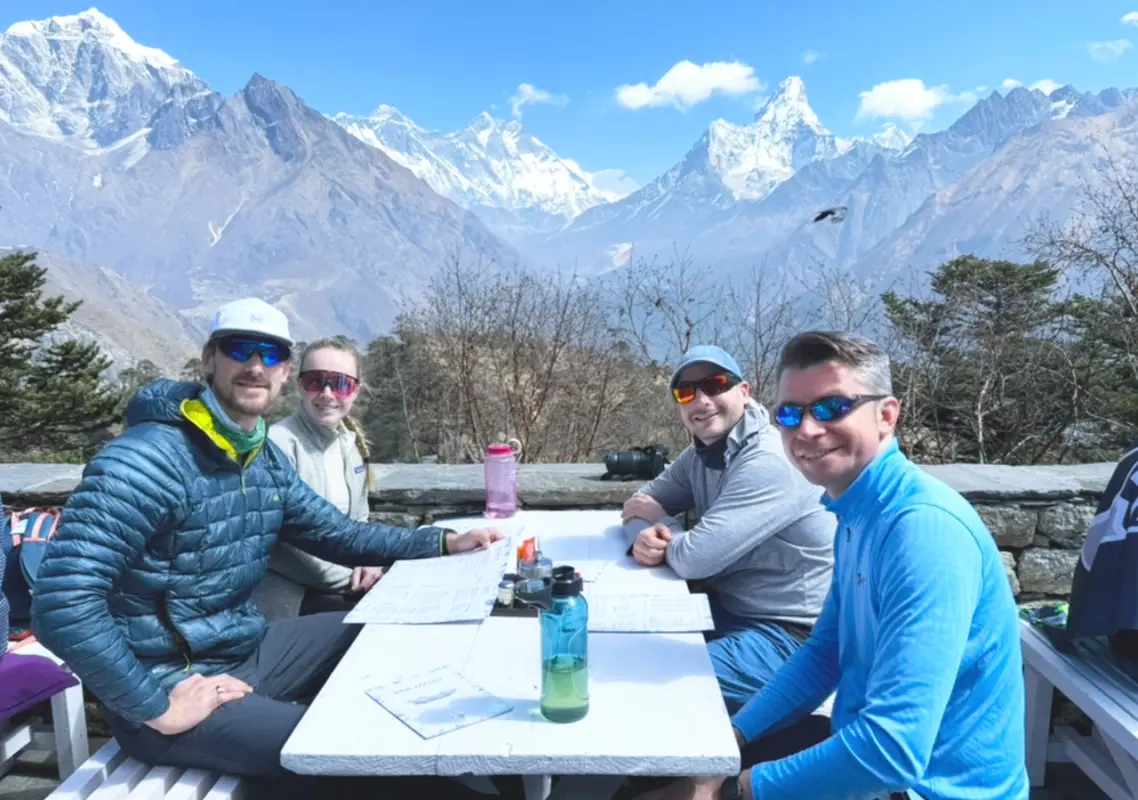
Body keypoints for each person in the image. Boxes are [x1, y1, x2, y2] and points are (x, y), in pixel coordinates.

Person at [30, 298, 503, 798]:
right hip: (171, 684)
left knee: (390, 631)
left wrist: (443, 541)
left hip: (247, 652)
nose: (256, 366)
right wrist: (157, 708)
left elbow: (337, 534)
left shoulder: (258, 454)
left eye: (271, 354)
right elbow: (62, 603)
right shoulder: (144, 460)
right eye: (240, 349)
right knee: (369, 758)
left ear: (284, 373)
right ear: (209, 359)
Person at [633, 331, 1029, 800]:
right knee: (659, 774)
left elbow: (892, 751)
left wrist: (736, 790)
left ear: (886, 415)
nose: (807, 430)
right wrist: (733, 739)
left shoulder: (923, 532)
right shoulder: (856, 512)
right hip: (863, 753)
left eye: (831, 407)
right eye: (790, 414)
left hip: (925, 789)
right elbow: (824, 654)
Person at [621, 345, 836, 711]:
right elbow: (637, 503)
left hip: (794, 635)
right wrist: (642, 535)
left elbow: (694, 560)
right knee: (618, 647)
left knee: (650, 685)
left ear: (744, 392)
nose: (701, 400)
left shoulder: (768, 460)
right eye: (686, 392)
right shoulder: (703, 454)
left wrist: (660, 524)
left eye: (715, 384)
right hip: (730, 610)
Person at [255, 336, 383, 619]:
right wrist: (350, 577)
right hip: (290, 602)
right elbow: (280, 545)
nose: (326, 393)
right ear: (300, 384)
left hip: (343, 585)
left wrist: (369, 560)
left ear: (355, 390)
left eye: (340, 383)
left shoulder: (350, 444)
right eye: (315, 381)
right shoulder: (277, 445)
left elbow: (359, 519)